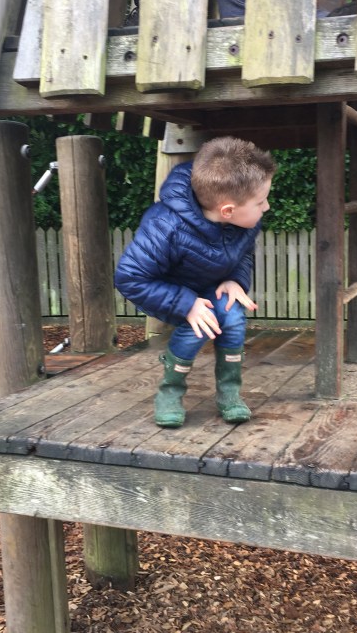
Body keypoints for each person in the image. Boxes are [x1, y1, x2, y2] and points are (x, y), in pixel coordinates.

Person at [114, 136, 276, 428]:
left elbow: (243, 252)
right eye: (260, 202)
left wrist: (235, 280)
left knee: (232, 316)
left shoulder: (244, 220)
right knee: (201, 324)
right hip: (167, 292)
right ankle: (170, 391)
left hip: (211, 286)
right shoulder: (165, 226)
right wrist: (185, 304)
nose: (266, 207)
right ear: (227, 210)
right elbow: (130, 277)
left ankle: (229, 392)